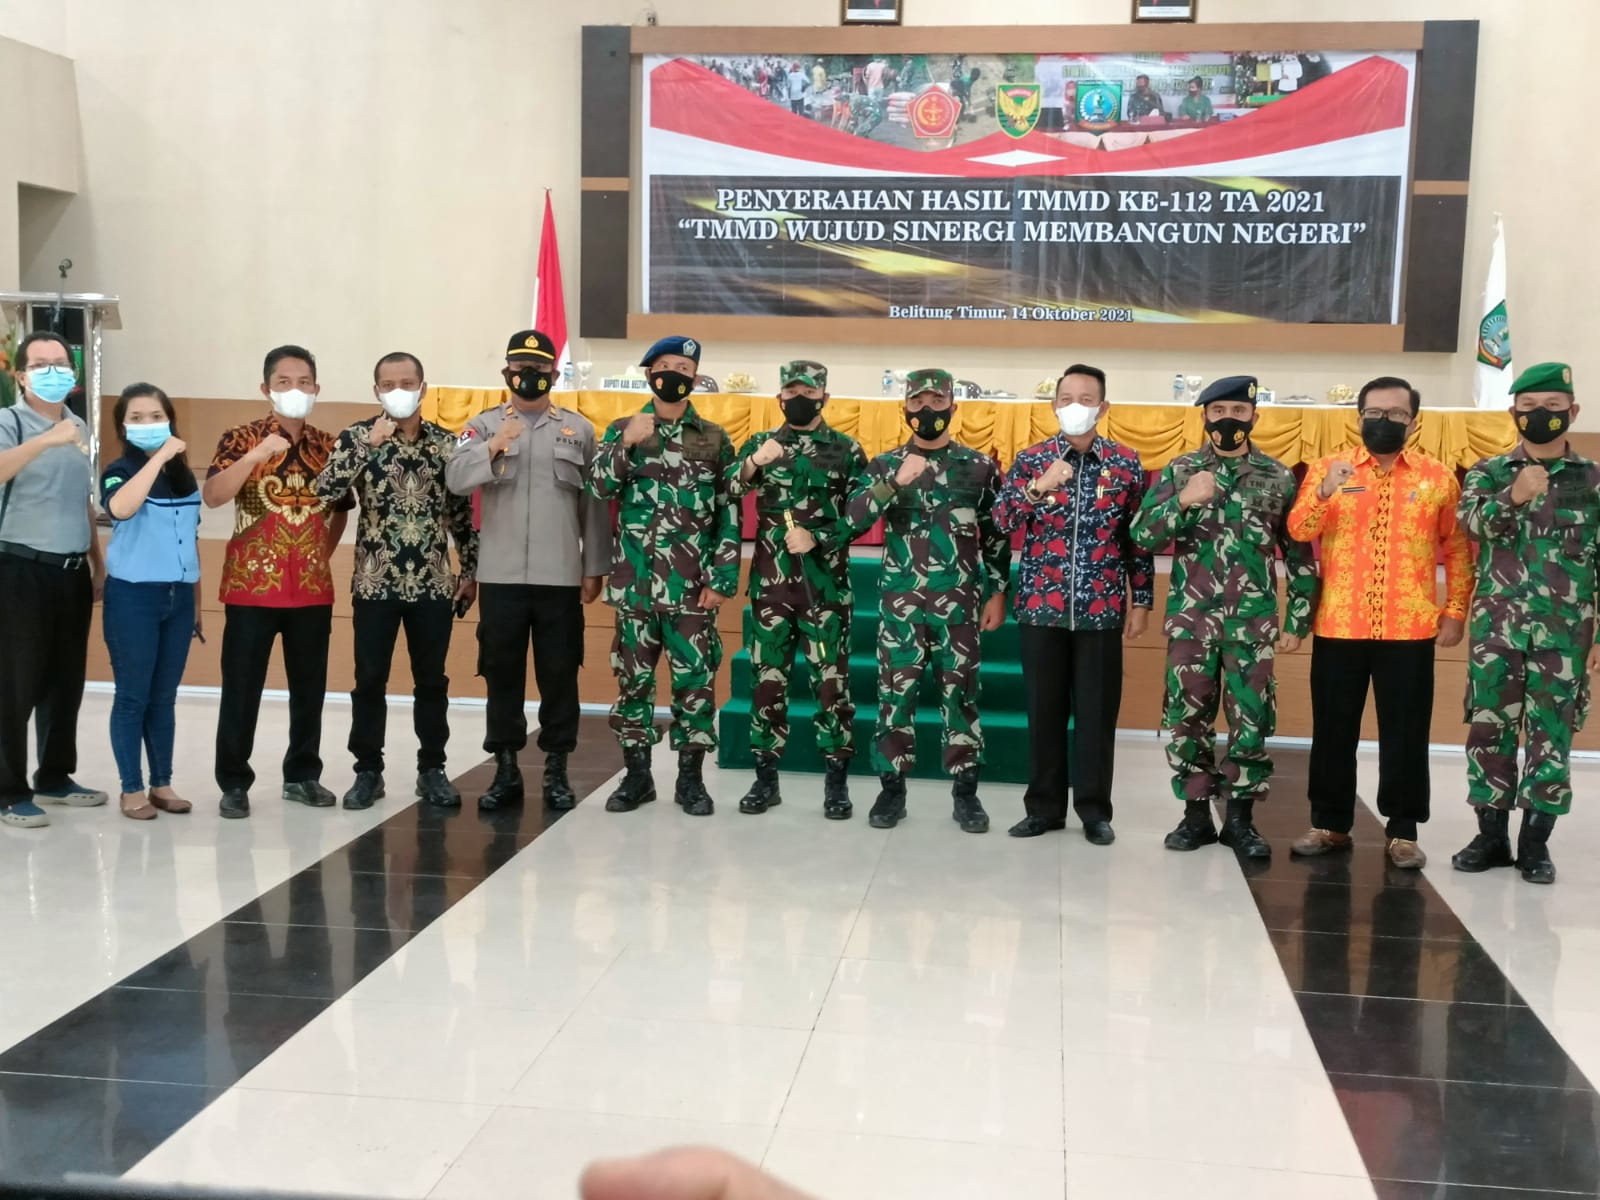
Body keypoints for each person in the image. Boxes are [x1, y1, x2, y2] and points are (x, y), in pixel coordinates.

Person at [1287, 377, 1472, 867]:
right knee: (1333, 730)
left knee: (1406, 733)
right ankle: (1329, 824)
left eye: (1395, 414)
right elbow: (1299, 530)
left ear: (1413, 421)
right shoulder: (1331, 468)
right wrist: (1325, 490)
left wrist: (1455, 609)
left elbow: (1456, 548)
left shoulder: (1437, 477)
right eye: (1374, 412)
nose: (1383, 421)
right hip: (1340, 624)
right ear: (1359, 416)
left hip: (1409, 628)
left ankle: (1404, 831)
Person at [1130, 376, 1318, 858]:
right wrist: (1183, 500)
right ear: (1204, 417)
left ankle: (1240, 821)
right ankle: (1195, 817)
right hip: (1191, 622)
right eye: (1218, 412)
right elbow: (1143, 535)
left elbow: (1299, 554)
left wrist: (1297, 621)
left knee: (1250, 722)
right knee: (1186, 720)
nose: (1228, 419)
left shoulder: (1277, 476)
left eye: (1238, 411)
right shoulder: (1181, 470)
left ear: (1254, 416)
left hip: (1251, 625)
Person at [445, 331, 609, 810]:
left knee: (560, 673)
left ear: (553, 375)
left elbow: (594, 504)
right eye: (520, 368)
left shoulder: (579, 430)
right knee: (501, 673)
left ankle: (556, 769)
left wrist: (594, 566)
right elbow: (455, 480)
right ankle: (505, 769)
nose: (529, 375)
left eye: (538, 369)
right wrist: (494, 446)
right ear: (506, 373)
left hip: (560, 574)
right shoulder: (481, 426)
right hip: (501, 576)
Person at [993, 363, 1153, 842]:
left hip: (1100, 610)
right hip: (1041, 605)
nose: (1075, 407)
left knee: (1097, 714)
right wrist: (1038, 487)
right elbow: (1000, 522)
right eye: (1066, 399)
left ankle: (1094, 810)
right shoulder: (1031, 460)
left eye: (1086, 399)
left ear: (1103, 407)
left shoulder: (1125, 463)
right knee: (1044, 711)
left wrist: (1141, 600)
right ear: (1053, 405)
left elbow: (1139, 538)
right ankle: (1043, 808)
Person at [845, 368, 1010, 833]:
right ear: (905, 409)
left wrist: (997, 591)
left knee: (962, 696)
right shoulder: (885, 465)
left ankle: (966, 794)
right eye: (917, 402)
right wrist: (894, 484)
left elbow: (996, 534)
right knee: (894, 698)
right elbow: (851, 521)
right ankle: (891, 790)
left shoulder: (978, 467)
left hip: (958, 606)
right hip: (901, 608)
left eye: (936, 402)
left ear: (953, 407)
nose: (927, 410)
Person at [1453, 362, 1599, 885]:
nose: (1541, 415)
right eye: (1530, 407)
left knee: (1551, 735)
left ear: (1572, 412)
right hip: (1498, 632)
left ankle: (1535, 845)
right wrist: (1513, 496)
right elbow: (1469, 526)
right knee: (1489, 732)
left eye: (1553, 407)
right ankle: (1490, 836)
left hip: (1566, 635)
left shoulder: (1592, 480)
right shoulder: (1489, 473)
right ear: (1514, 413)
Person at [316, 352, 479, 812]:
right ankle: (368, 771)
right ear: (376, 391)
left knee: (432, 681)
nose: (398, 391)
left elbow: (462, 515)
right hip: (376, 581)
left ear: (423, 388)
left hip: (432, 582)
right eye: (388, 385)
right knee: (369, 679)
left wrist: (471, 571)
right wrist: (367, 446)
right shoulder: (356, 437)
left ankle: (433, 769)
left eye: (407, 383)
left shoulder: (447, 444)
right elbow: (324, 492)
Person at [587, 335, 740, 817]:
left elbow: (728, 511)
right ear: (650, 372)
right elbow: (598, 487)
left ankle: (691, 780)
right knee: (633, 683)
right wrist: (626, 444)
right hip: (635, 585)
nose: (675, 374)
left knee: (695, 683)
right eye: (666, 365)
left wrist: (722, 577)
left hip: (691, 589)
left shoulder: (714, 438)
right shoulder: (623, 428)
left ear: (695, 378)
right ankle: (637, 777)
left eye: (685, 368)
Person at [203, 344, 353, 819]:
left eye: (304, 382)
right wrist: (255, 456)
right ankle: (233, 782)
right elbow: (213, 495)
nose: (295, 390)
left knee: (309, 689)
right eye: (284, 382)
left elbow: (342, 509)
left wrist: (321, 554)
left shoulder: (329, 445)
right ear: (266, 389)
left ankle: (302, 775)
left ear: (317, 388)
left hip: (311, 590)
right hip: (251, 587)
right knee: (241, 688)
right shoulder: (240, 437)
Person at [730, 360, 868, 818]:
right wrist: (754, 463)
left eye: (808, 392)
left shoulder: (847, 449)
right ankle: (765, 780)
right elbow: (727, 489)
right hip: (771, 590)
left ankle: (836, 784)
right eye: (791, 391)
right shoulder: (761, 444)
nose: (799, 399)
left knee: (832, 686)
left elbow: (862, 515)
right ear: (779, 398)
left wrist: (821, 537)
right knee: (767, 685)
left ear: (824, 397)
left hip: (825, 590)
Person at [0, 331, 108, 828]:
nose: (52, 371)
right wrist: (46, 438)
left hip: (70, 572)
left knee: (65, 682)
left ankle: (55, 775)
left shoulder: (79, 425)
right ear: (20, 375)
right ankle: (8, 791)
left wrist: (97, 561)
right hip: (19, 569)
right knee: (15, 684)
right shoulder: (9, 421)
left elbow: (81, 500)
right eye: (40, 364)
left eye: (61, 363)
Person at [100, 384, 203, 820]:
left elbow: (189, 539)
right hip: (134, 597)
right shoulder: (119, 470)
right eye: (137, 417)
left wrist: (196, 602)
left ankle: (162, 782)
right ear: (123, 426)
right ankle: (131, 788)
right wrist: (158, 457)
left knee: (163, 697)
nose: (147, 423)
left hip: (178, 597)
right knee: (132, 697)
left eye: (156, 415)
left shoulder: (184, 477)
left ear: (170, 420)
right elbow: (121, 509)